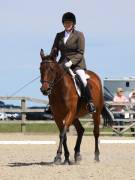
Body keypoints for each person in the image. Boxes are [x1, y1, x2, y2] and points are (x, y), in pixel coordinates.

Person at [50, 12, 96, 113]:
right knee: (52, 79)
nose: (67, 24)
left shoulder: (79, 35)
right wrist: (51, 57)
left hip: (77, 64)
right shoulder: (59, 35)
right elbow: (54, 49)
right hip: (62, 63)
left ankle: (90, 102)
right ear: (63, 23)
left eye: (69, 23)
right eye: (66, 23)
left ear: (73, 24)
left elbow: (80, 52)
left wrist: (71, 62)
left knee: (83, 80)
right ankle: (52, 104)